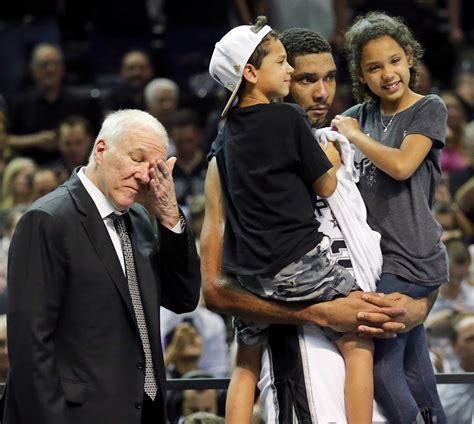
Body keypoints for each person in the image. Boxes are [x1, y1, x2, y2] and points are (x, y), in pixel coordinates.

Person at [201, 25, 437, 423]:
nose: (323, 92)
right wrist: (318, 314)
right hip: (305, 359)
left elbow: (404, 247)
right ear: (284, 76)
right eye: (306, 78)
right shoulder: (224, 161)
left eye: (330, 78)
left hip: (382, 340)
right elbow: (217, 292)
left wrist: (417, 306)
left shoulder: (352, 142)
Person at [208, 17, 374, 423]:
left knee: (245, 361)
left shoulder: (225, 136)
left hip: (248, 273)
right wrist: (335, 156)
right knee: (360, 339)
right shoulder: (289, 121)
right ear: (250, 72)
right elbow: (326, 185)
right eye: (287, 67)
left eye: (331, 79)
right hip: (298, 264)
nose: (320, 92)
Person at [4, 109, 201, 423]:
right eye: (136, 159)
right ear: (100, 150)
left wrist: (168, 219)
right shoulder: (48, 220)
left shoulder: (138, 218)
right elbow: (30, 345)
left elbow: (182, 297)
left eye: (154, 168)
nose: (144, 175)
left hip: (143, 411)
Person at [331, 12, 448, 423]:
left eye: (394, 60)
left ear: (410, 58)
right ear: (361, 74)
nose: (388, 73)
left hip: (410, 254)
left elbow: (401, 165)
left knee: (382, 369)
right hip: (375, 257)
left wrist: (355, 136)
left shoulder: (428, 108)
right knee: (415, 367)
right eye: (374, 67)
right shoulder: (358, 115)